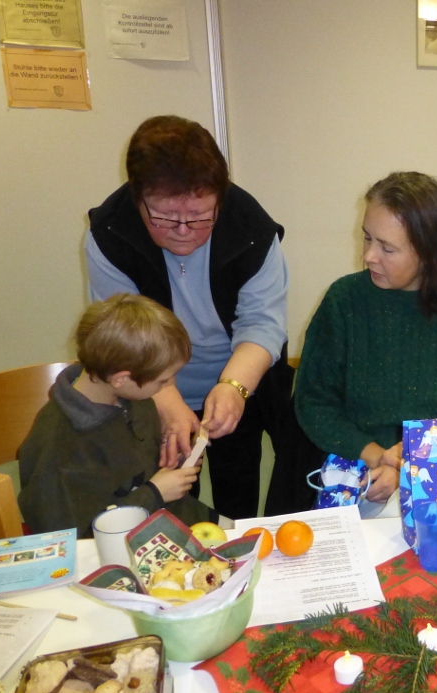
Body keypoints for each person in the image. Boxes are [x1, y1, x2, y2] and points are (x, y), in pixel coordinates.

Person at [86, 115, 289, 519]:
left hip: (237, 380)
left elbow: (262, 323)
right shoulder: (111, 232)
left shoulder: (250, 227)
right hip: (150, 386)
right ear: (137, 196)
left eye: (200, 216)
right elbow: (123, 337)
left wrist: (233, 386)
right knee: (164, 506)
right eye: (163, 217)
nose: (182, 230)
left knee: (238, 497)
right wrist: (167, 397)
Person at [294, 171, 437, 510]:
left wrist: (417, 461)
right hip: (360, 479)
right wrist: (378, 456)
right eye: (367, 238)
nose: (369, 255)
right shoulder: (344, 301)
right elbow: (313, 401)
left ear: (429, 253)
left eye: (387, 248)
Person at [19, 294, 212, 537]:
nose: (170, 384)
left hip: (164, 519)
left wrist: (177, 462)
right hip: (110, 546)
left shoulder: (131, 398)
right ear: (122, 379)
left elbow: (134, 469)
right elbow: (75, 537)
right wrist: (155, 492)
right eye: (163, 380)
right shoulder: (60, 448)